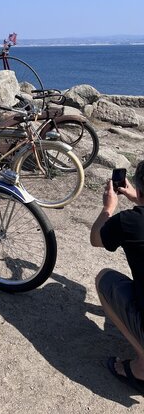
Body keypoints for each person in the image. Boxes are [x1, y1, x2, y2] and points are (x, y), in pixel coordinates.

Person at [90, 161, 144, 394]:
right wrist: (138, 199)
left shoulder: (130, 222)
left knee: (105, 279)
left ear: (139, 190)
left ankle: (142, 368)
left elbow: (96, 239)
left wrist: (108, 208)